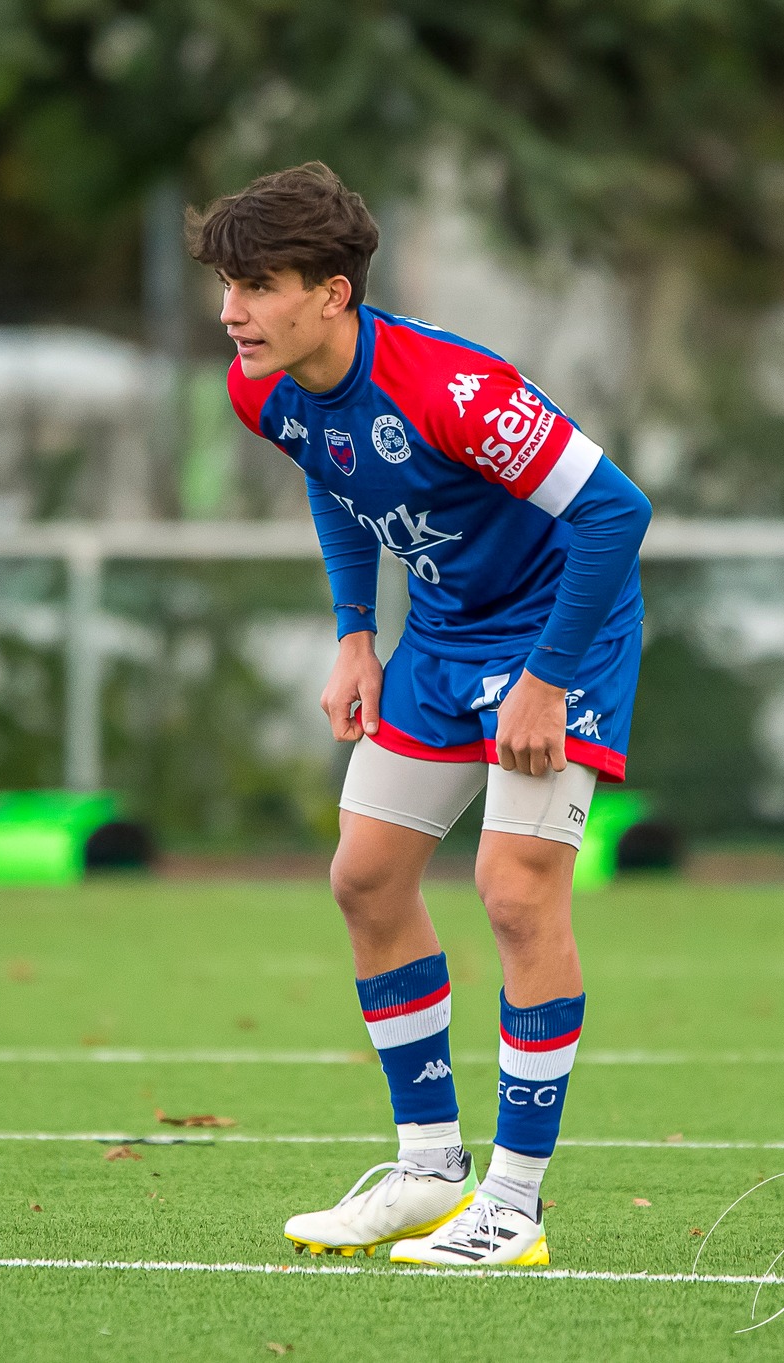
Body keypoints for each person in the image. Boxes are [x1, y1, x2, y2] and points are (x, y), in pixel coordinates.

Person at [189, 162, 651, 1267]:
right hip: (440, 636)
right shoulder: (264, 385)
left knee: (513, 890)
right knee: (363, 875)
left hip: (559, 632)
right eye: (227, 284)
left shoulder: (450, 388)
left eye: (256, 285)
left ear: (331, 295)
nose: (230, 311)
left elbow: (613, 513)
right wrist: (356, 632)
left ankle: (514, 1203)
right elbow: (329, 471)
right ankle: (427, 1170)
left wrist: (544, 679)